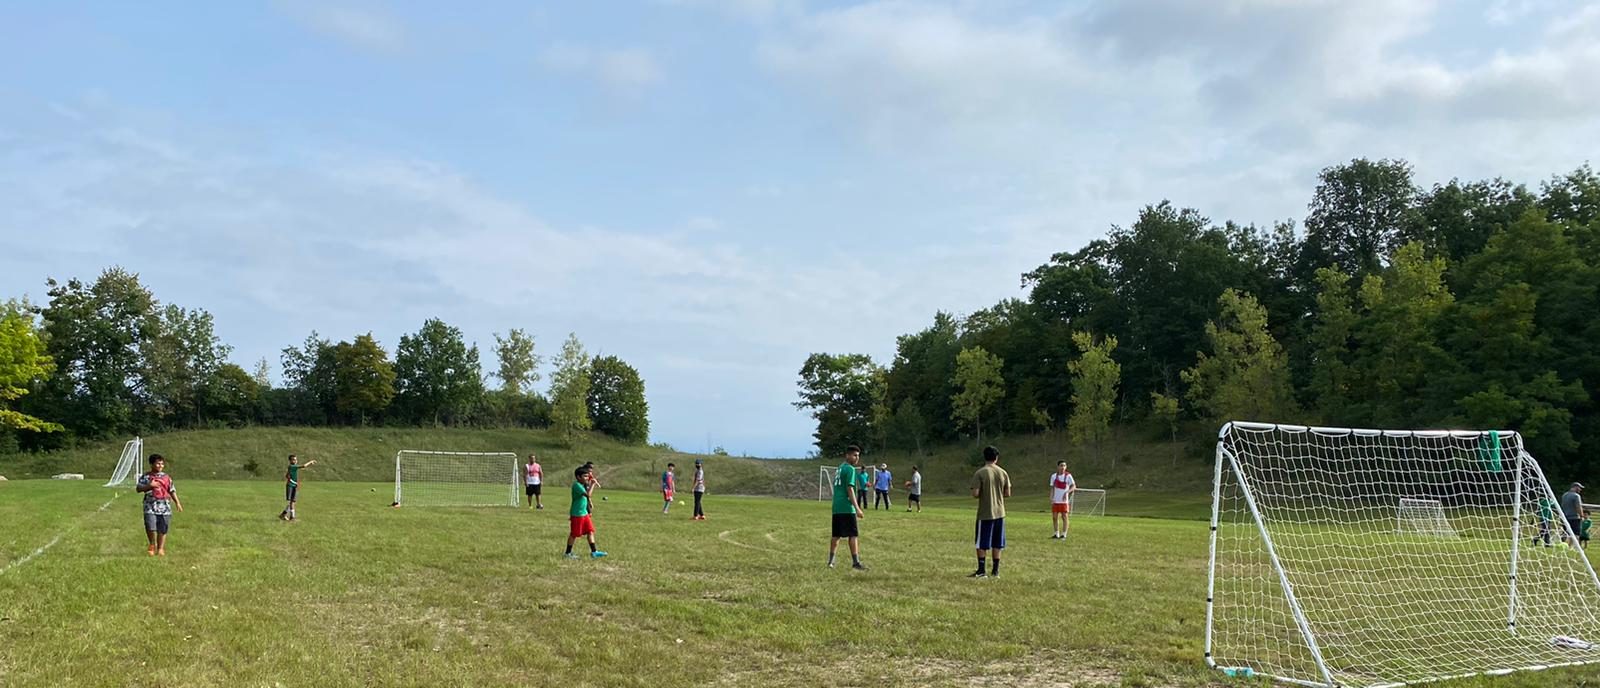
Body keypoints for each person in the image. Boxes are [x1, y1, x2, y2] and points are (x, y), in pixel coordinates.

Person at [969, 445, 1011, 578]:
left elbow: (975, 493)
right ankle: (995, 571)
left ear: (984, 457)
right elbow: (1008, 493)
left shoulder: (980, 473)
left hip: (986, 512)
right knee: (997, 542)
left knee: (982, 542)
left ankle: (981, 571)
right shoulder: (1003, 472)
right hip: (1000, 512)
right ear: (996, 458)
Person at [828, 445, 868, 570]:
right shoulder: (850, 469)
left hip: (836, 506)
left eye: (858, 456)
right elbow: (850, 489)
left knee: (836, 535)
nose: (857, 458)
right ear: (848, 455)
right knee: (853, 534)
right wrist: (857, 508)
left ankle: (831, 562)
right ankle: (856, 562)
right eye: (854, 455)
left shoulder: (840, 468)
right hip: (846, 506)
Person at [136, 454, 183, 556]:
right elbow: (138, 489)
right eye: (158, 463)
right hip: (150, 505)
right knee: (150, 526)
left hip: (165, 506)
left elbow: (172, 490)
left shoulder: (166, 477)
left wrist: (177, 503)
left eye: (162, 464)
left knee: (163, 527)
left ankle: (161, 548)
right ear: (152, 464)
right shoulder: (146, 476)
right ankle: (152, 545)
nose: (160, 466)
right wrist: (149, 486)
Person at [565, 465, 607, 559]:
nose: (587, 478)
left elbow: (587, 497)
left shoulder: (582, 485)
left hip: (584, 513)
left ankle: (594, 552)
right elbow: (588, 495)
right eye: (585, 476)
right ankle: (567, 553)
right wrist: (593, 484)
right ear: (578, 477)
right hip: (577, 514)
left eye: (587, 476)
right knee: (574, 534)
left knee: (590, 531)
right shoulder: (576, 485)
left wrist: (589, 505)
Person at [279, 454, 317, 521]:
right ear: (290, 460)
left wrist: (292, 480)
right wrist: (310, 462)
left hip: (294, 485)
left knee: (292, 501)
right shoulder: (292, 466)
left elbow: (287, 475)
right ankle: (291, 517)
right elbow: (304, 466)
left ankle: (284, 515)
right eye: (294, 459)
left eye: (296, 459)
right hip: (290, 486)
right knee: (291, 502)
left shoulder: (292, 467)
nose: (295, 461)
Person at [1048, 461, 1076, 539]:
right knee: (1054, 517)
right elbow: (1052, 488)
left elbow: (1074, 486)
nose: (1063, 467)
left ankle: (1064, 534)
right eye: (1061, 465)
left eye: (1064, 465)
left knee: (1064, 517)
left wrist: (1067, 492)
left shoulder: (1068, 476)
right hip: (1056, 500)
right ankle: (1056, 533)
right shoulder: (1053, 476)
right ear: (1058, 467)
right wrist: (1051, 497)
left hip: (1064, 501)